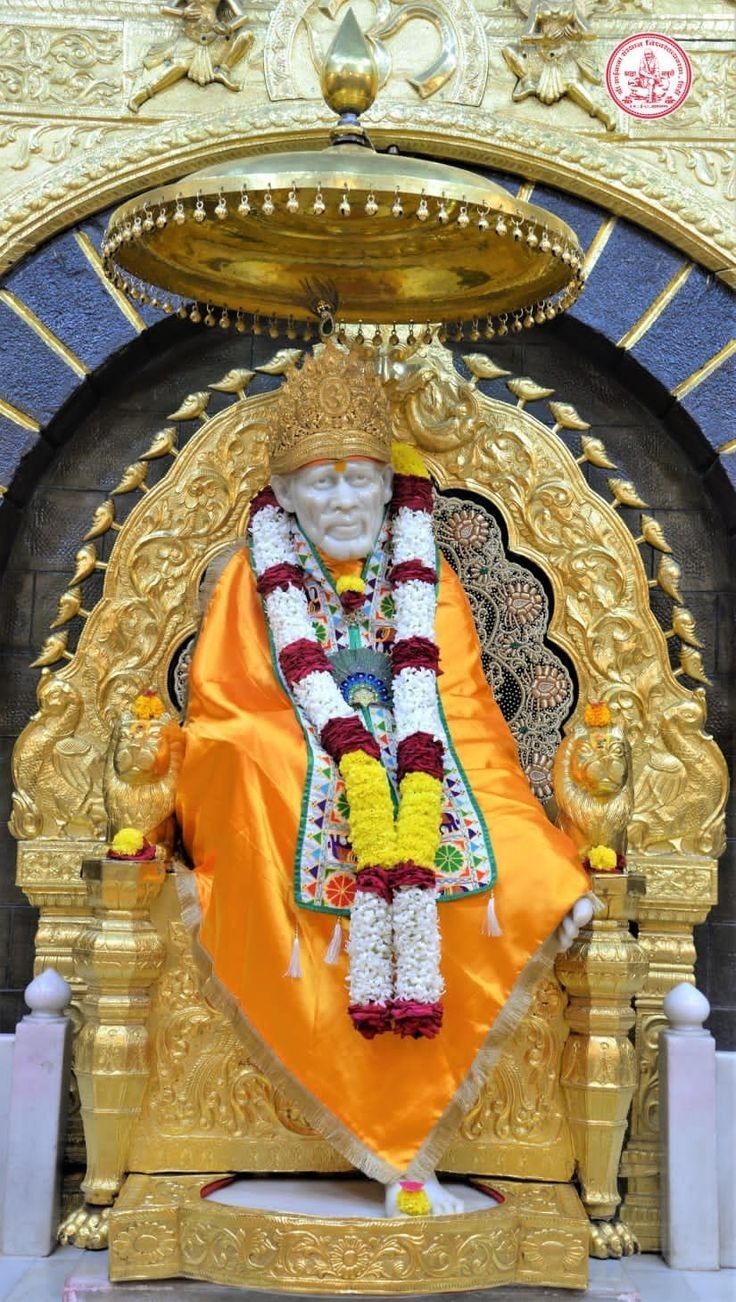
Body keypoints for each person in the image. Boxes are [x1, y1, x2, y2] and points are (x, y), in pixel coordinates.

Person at [175, 342, 592, 1216]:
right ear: (284, 496)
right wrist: (334, 757)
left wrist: (409, 767)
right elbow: (227, 714)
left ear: (390, 486)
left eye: (358, 479)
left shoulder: (425, 576)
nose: (342, 500)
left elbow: (469, 714)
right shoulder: (255, 578)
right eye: (320, 484)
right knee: (263, 773)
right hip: (293, 779)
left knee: (523, 873)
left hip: (427, 770)